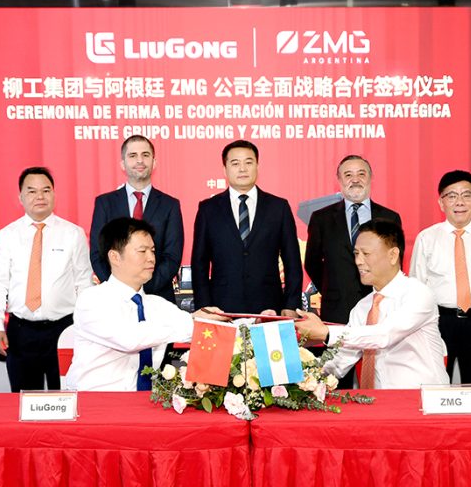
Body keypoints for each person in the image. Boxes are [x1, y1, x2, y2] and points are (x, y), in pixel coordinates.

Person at [67, 218, 227, 391]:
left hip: (147, 401)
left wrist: (224, 322)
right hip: (94, 400)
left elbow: (199, 331)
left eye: (153, 251)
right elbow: (130, 338)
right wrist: (193, 322)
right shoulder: (93, 300)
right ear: (115, 257)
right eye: (142, 251)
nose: (151, 258)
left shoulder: (158, 305)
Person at [295, 219, 449, 389]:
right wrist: (298, 375)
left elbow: (384, 335)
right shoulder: (362, 307)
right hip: (378, 401)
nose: (358, 261)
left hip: (422, 398)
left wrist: (325, 332)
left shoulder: (418, 293)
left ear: (393, 255)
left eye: (366, 254)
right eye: (356, 253)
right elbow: (339, 361)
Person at [0, 167, 93, 391]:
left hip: (64, 329)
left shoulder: (73, 233)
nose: (40, 197)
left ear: (54, 194)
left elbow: (84, 283)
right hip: (21, 331)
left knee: (65, 397)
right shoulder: (7, 235)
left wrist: (84, 325)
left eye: (46, 190)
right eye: (32, 191)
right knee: (25, 398)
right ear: (21, 197)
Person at [410, 170, 471, 387]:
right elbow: (417, 288)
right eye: (452, 196)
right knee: (435, 386)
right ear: (441, 202)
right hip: (438, 323)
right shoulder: (427, 238)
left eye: (466, 195)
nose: (460, 202)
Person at [191, 139, 302, 316]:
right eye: (235, 163)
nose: (242, 169)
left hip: (269, 307)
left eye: (248, 162)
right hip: (221, 308)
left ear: (257, 166)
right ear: (225, 169)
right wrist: (204, 307)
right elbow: (199, 263)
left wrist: (291, 305)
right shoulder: (208, 209)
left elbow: (292, 261)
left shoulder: (278, 207)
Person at [304, 154, 402, 323]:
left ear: (370, 178)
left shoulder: (390, 218)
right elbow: (312, 263)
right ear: (339, 180)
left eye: (361, 174)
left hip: (381, 306)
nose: (355, 180)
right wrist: (332, 288)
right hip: (337, 308)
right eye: (348, 174)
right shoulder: (321, 219)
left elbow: (395, 263)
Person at [89, 135, 184, 303]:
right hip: (114, 299)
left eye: (145, 155)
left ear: (154, 162)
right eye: (133, 155)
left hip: (157, 298)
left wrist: (142, 288)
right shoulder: (105, 203)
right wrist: (121, 288)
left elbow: (172, 256)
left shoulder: (170, 205)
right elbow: (98, 253)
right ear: (123, 164)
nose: (140, 160)